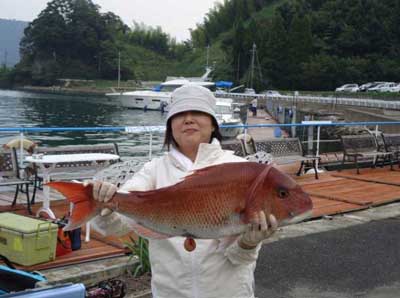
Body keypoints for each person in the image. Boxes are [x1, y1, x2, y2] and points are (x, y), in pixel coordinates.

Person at [88, 84, 277, 298]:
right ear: (170, 127)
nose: (188, 119)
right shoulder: (153, 170)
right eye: (179, 114)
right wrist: (104, 206)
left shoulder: (238, 169)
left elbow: (238, 259)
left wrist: (248, 242)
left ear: (213, 124)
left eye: (197, 112)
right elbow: (120, 225)